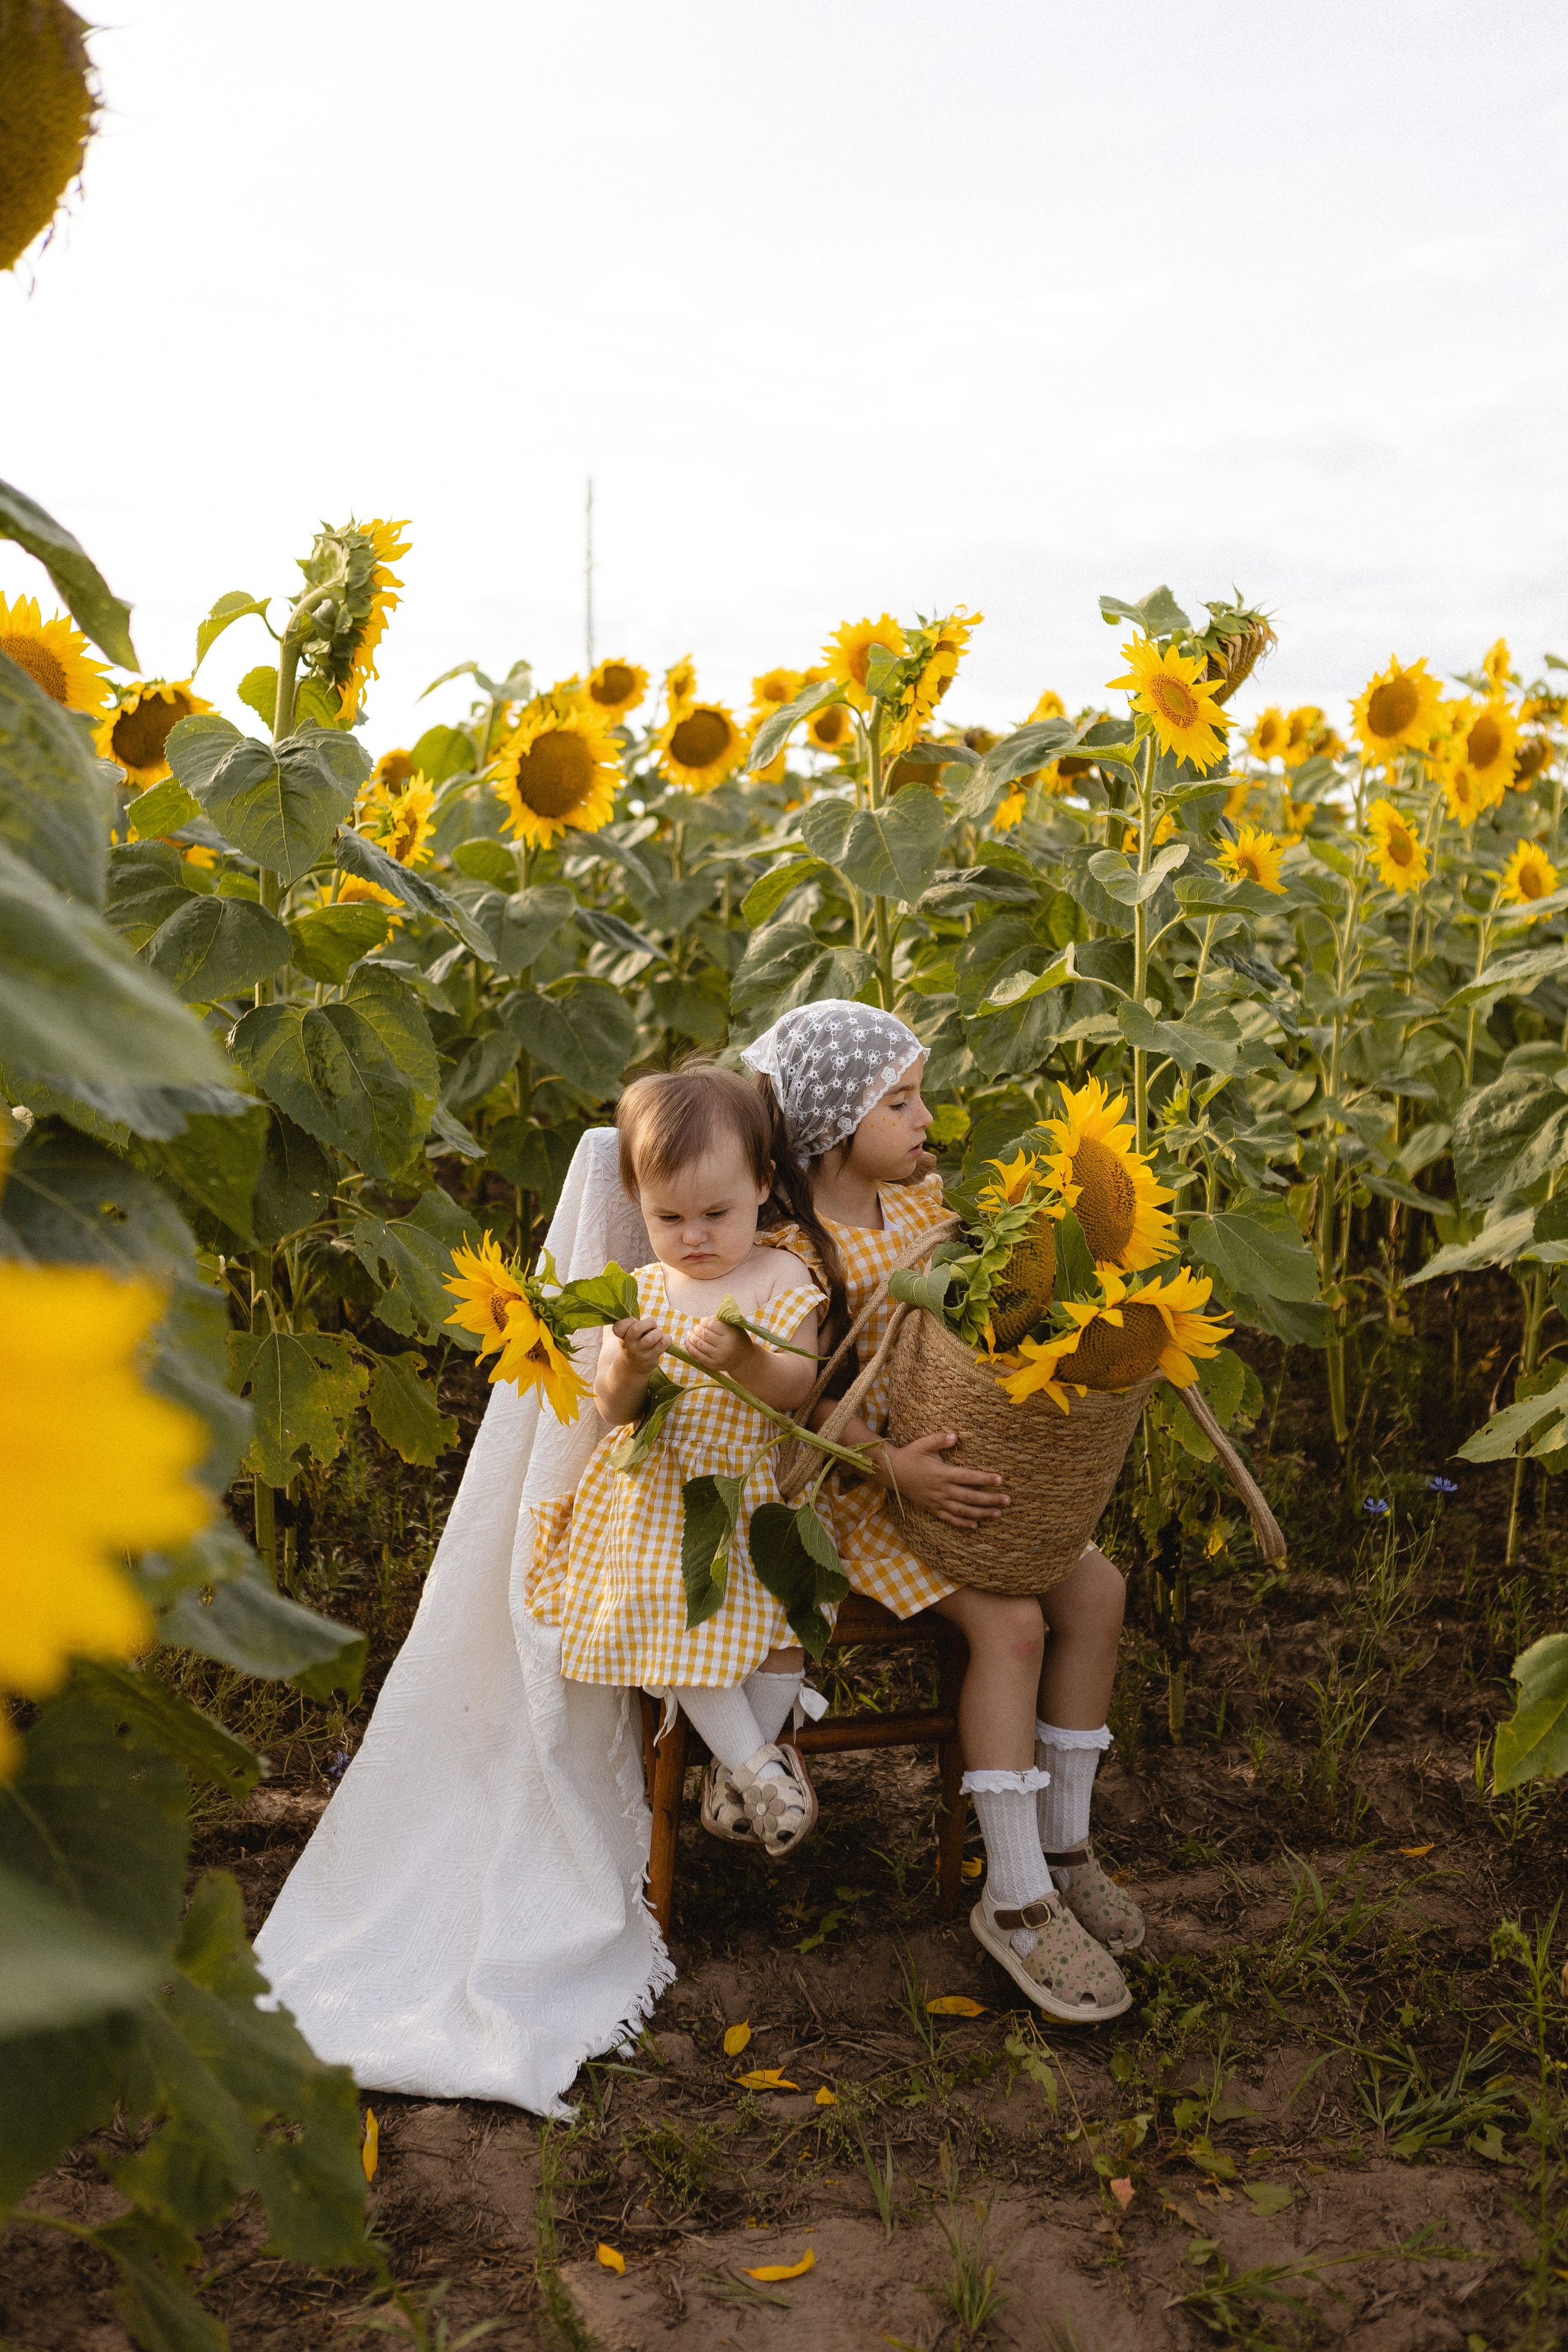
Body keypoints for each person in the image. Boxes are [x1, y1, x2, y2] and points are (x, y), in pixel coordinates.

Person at [737, 1000, 1142, 2024]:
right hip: (854, 1485)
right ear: (829, 1123)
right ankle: (1013, 1899)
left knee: (1096, 1590)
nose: (928, 1120)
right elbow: (799, 1388)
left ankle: (1066, 1840)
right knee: (1009, 1625)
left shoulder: (924, 1212)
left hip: (956, 1468)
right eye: (902, 1102)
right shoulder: (792, 1243)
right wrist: (889, 1464)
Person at [526, 1065, 831, 1853]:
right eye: (669, 1217)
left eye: (716, 1213)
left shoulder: (781, 1275)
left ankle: (733, 1777)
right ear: (638, 1205)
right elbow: (613, 1411)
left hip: (755, 1485)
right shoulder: (639, 1292)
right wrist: (628, 1364)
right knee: (674, 1608)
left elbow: (797, 1386)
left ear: (763, 1185)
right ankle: (760, 1771)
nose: (694, 1237)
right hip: (659, 1494)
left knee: (785, 1622)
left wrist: (742, 1359)